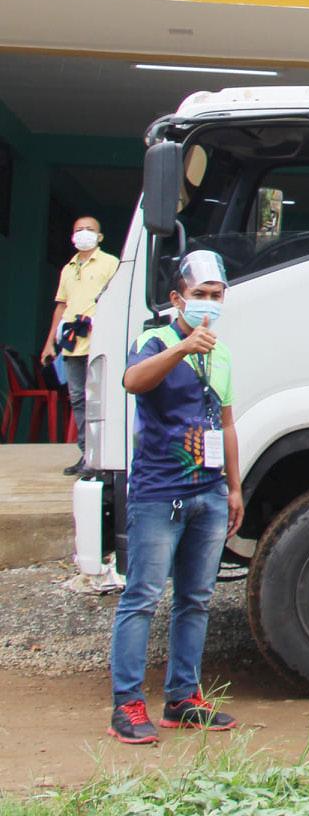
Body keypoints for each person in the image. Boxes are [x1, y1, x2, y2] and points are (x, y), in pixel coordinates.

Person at [106, 250, 242, 745]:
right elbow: (132, 382)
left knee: (196, 599)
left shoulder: (222, 354)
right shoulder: (156, 340)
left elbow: (226, 422)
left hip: (208, 493)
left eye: (215, 296)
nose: (208, 305)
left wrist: (234, 486)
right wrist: (182, 348)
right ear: (176, 299)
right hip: (158, 493)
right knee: (142, 597)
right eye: (199, 295)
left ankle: (183, 698)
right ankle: (127, 704)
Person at [41, 215, 120, 475]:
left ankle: (101, 455)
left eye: (89, 229)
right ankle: (86, 453)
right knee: (77, 397)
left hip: (100, 340)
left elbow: (117, 299)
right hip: (72, 342)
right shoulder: (68, 268)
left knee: (100, 397)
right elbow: (61, 306)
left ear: (100, 237)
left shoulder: (111, 263)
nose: (83, 233)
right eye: (78, 230)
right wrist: (50, 342)